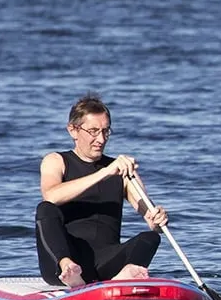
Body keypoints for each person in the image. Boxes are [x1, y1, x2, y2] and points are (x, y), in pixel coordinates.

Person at [35, 93, 168, 287]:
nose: (101, 139)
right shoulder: (56, 161)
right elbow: (51, 195)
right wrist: (105, 172)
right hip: (65, 261)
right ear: (73, 130)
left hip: (106, 263)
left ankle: (122, 279)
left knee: (150, 238)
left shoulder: (122, 170)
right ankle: (70, 271)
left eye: (106, 131)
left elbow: (149, 216)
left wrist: (157, 219)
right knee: (45, 209)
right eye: (93, 131)